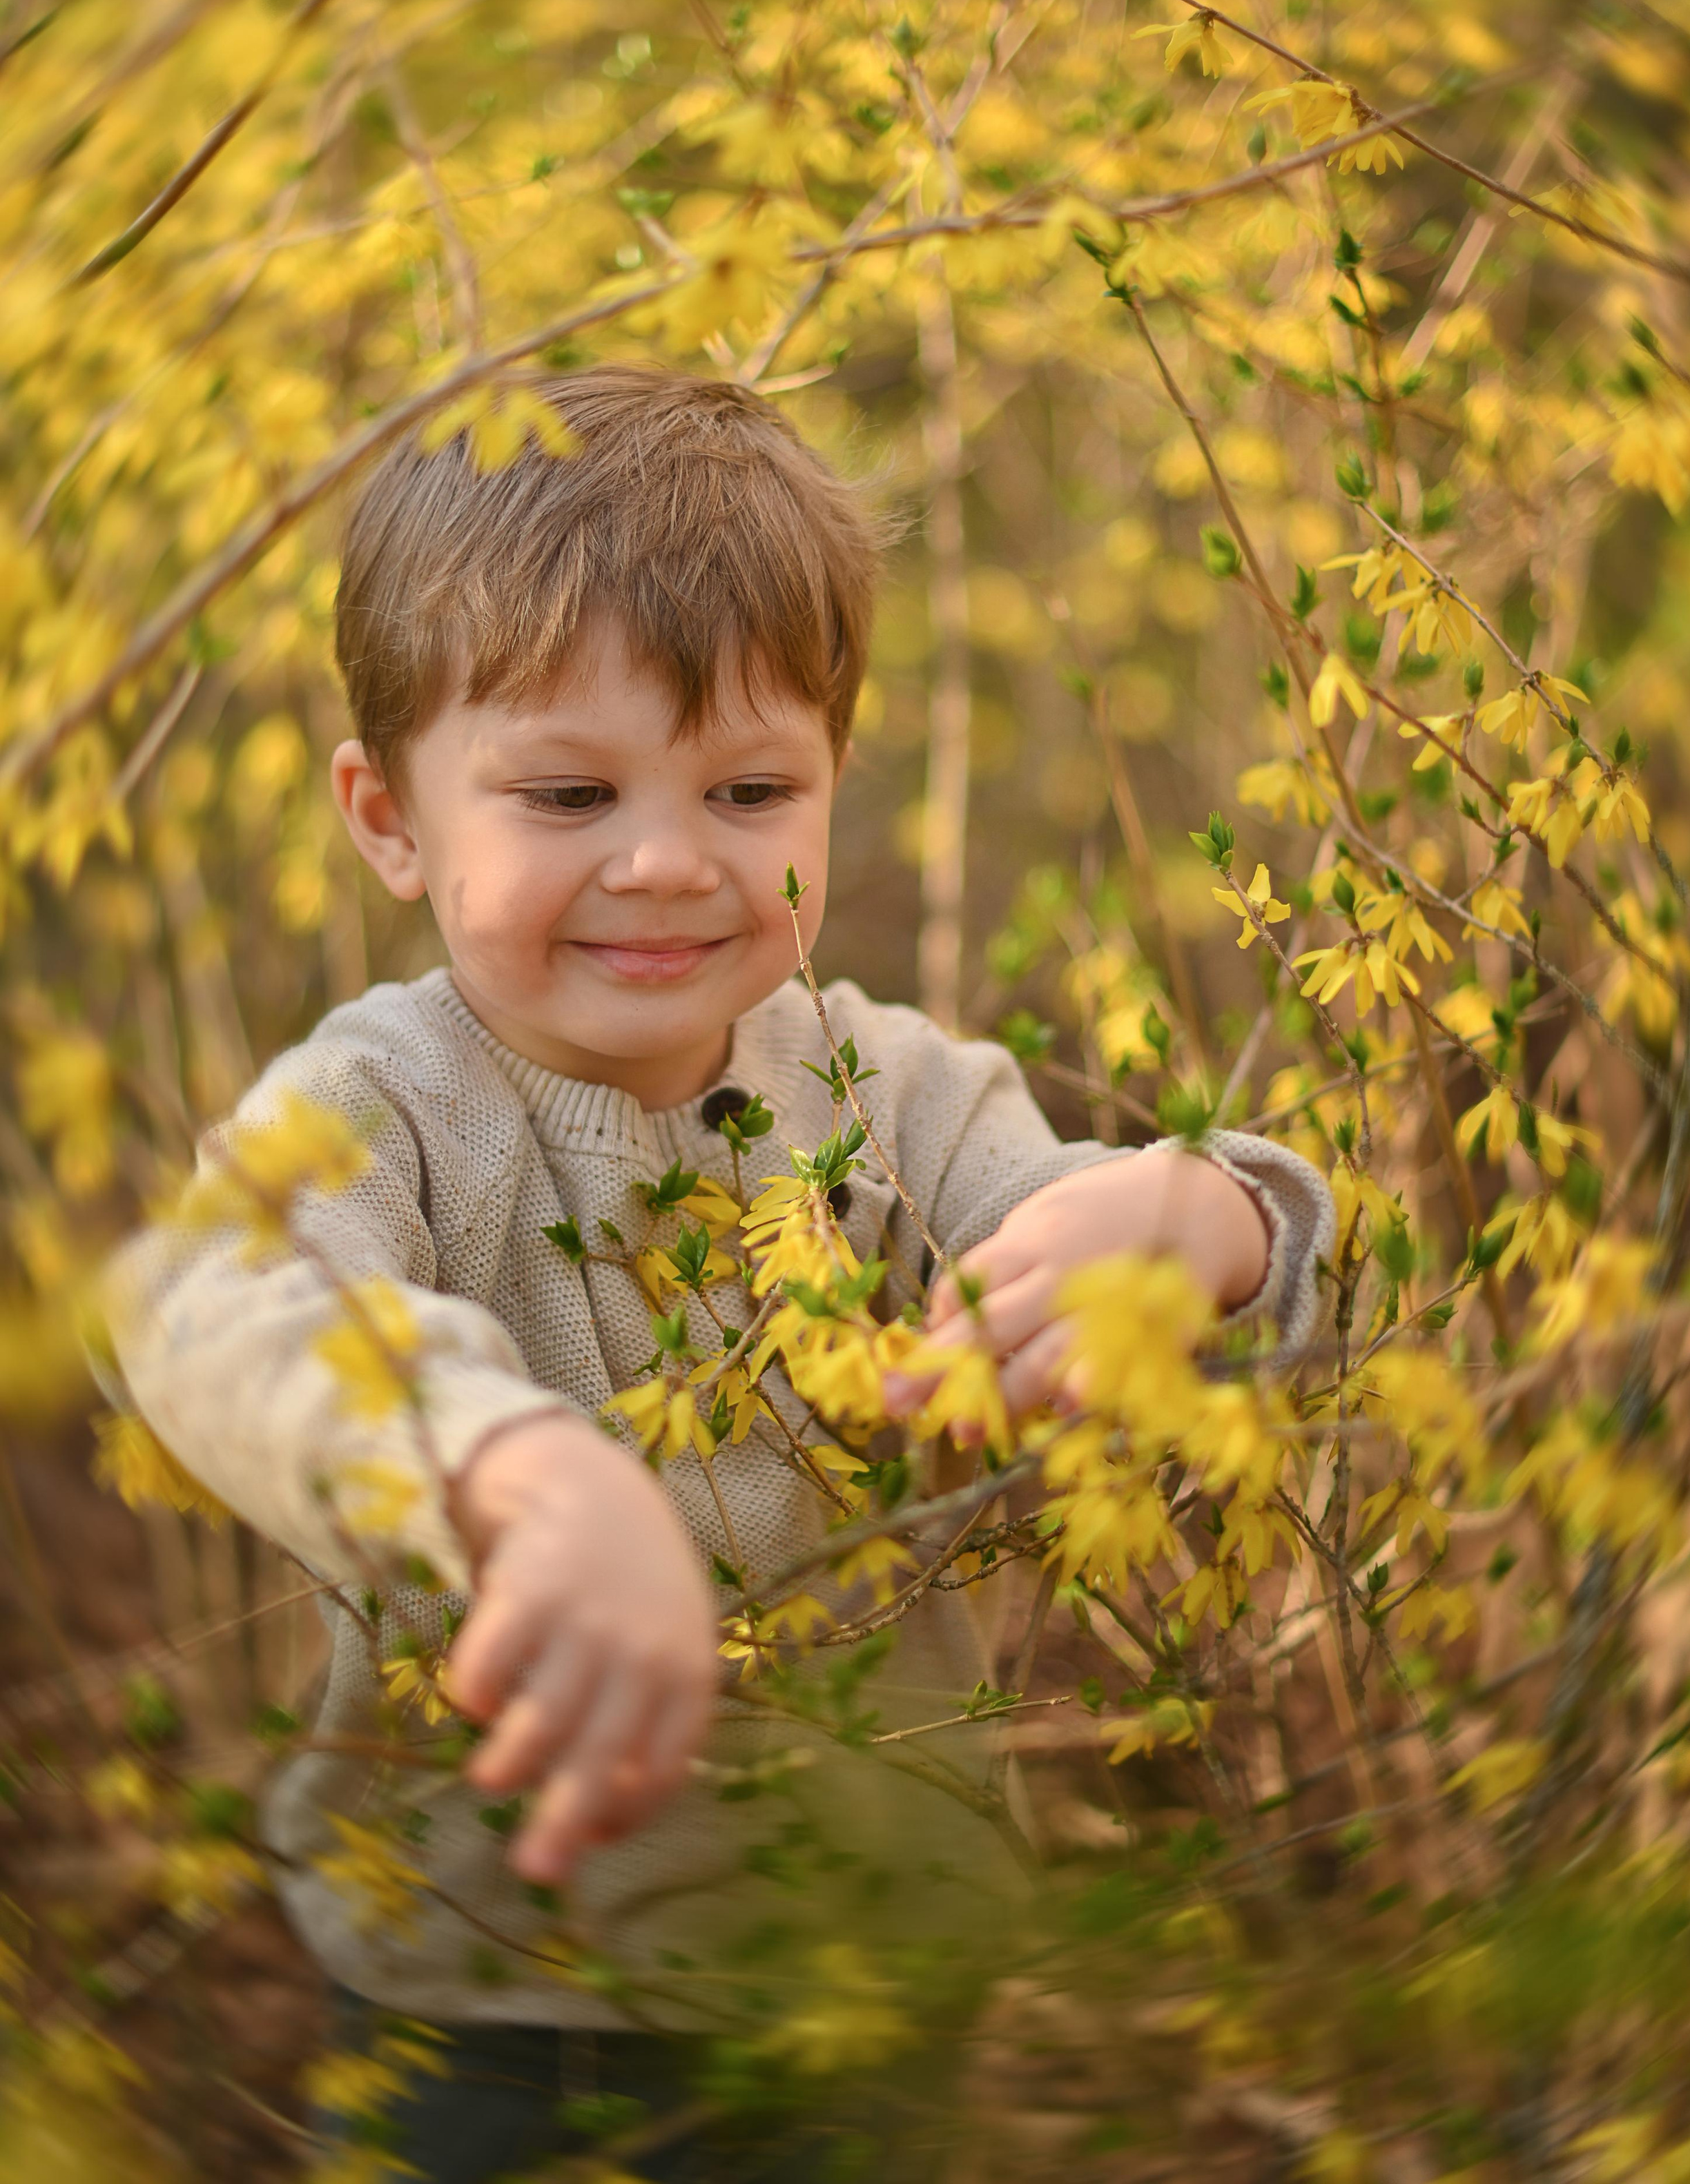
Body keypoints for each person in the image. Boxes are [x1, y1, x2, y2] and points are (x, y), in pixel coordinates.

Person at [106, 367, 1334, 2181]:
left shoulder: (893, 1090)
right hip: (493, 1999)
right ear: (390, 819)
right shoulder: (388, 1105)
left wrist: (1205, 1218)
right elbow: (213, 1299)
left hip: (881, 1973)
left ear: (832, 787)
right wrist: (504, 1467)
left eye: (751, 786)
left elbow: (1164, 1235)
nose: (670, 858)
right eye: (570, 789)